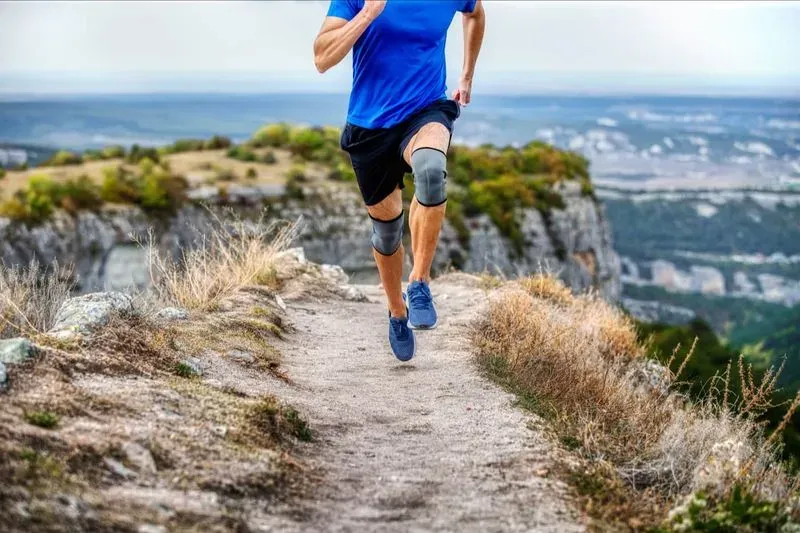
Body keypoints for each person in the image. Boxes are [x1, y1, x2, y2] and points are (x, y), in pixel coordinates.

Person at [314, 0, 485, 361]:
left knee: (431, 173)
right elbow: (322, 58)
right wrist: (368, 14)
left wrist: (467, 75)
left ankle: (419, 281)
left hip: (426, 109)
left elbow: (475, 12)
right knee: (387, 233)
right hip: (369, 126)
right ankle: (396, 310)